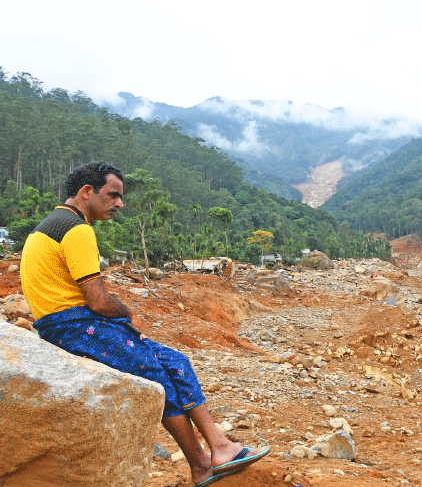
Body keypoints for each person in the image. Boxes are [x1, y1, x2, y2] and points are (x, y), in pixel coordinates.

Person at [20, 162, 268, 487]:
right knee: (156, 375)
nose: (119, 204)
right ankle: (200, 465)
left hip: (67, 324)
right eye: (113, 195)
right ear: (86, 192)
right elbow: (97, 300)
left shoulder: (51, 224)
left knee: (176, 362)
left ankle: (220, 447)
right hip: (75, 325)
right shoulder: (76, 229)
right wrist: (125, 312)